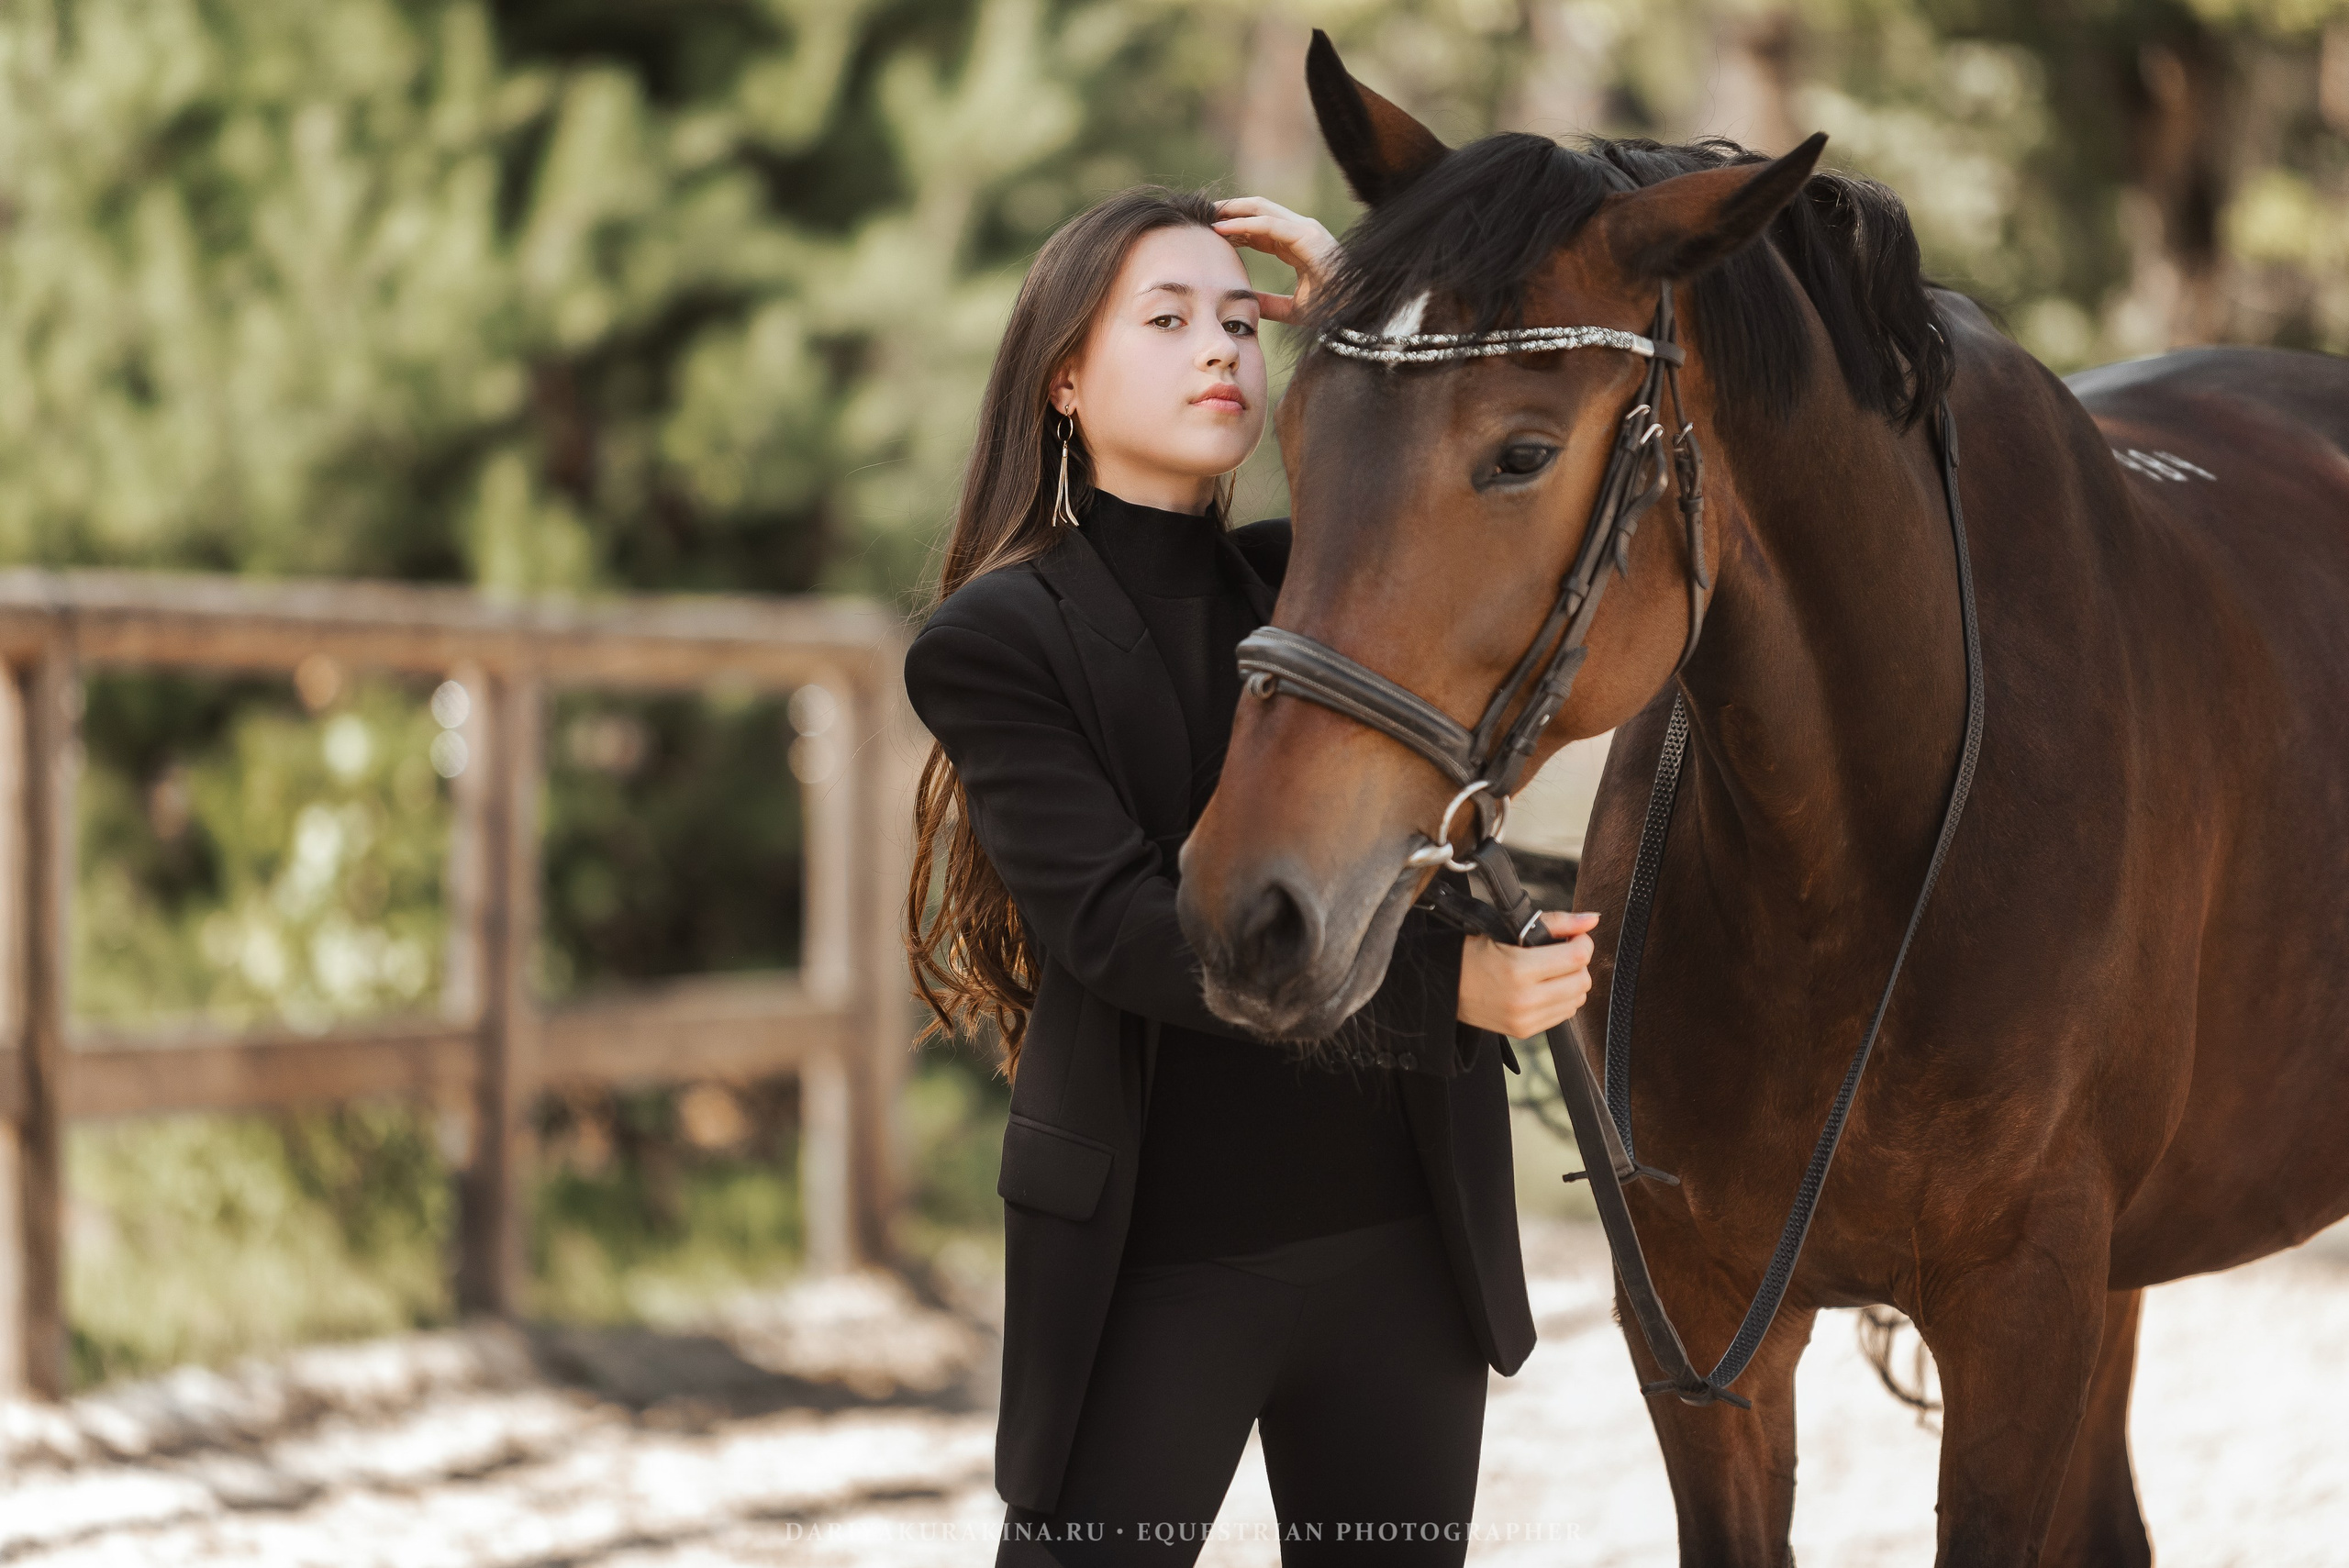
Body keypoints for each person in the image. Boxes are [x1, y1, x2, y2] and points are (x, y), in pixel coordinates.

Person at [900, 185, 1599, 1567]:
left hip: (1402, 1254)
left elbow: (1496, 449)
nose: (1219, 346)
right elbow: (1120, 931)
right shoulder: (993, 640)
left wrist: (1369, 310)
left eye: (1240, 318)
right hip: (1157, 1267)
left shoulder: (1313, 592)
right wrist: (1446, 988)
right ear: (1062, 379)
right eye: (1166, 320)